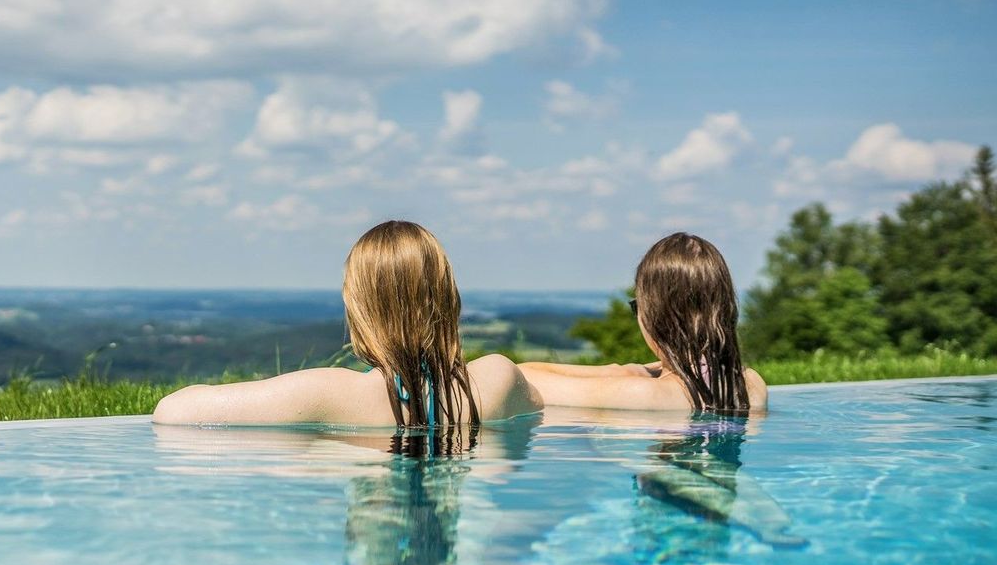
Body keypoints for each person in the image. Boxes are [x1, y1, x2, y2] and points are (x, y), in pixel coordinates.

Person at [153, 220, 544, 426]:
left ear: (359, 307)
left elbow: (172, 412)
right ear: (448, 297)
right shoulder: (496, 380)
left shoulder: (327, 394)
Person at [519, 232, 767, 414]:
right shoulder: (751, 386)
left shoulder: (644, 395)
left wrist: (621, 371)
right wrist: (633, 369)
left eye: (636, 306)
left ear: (655, 315)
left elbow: (521, 378)